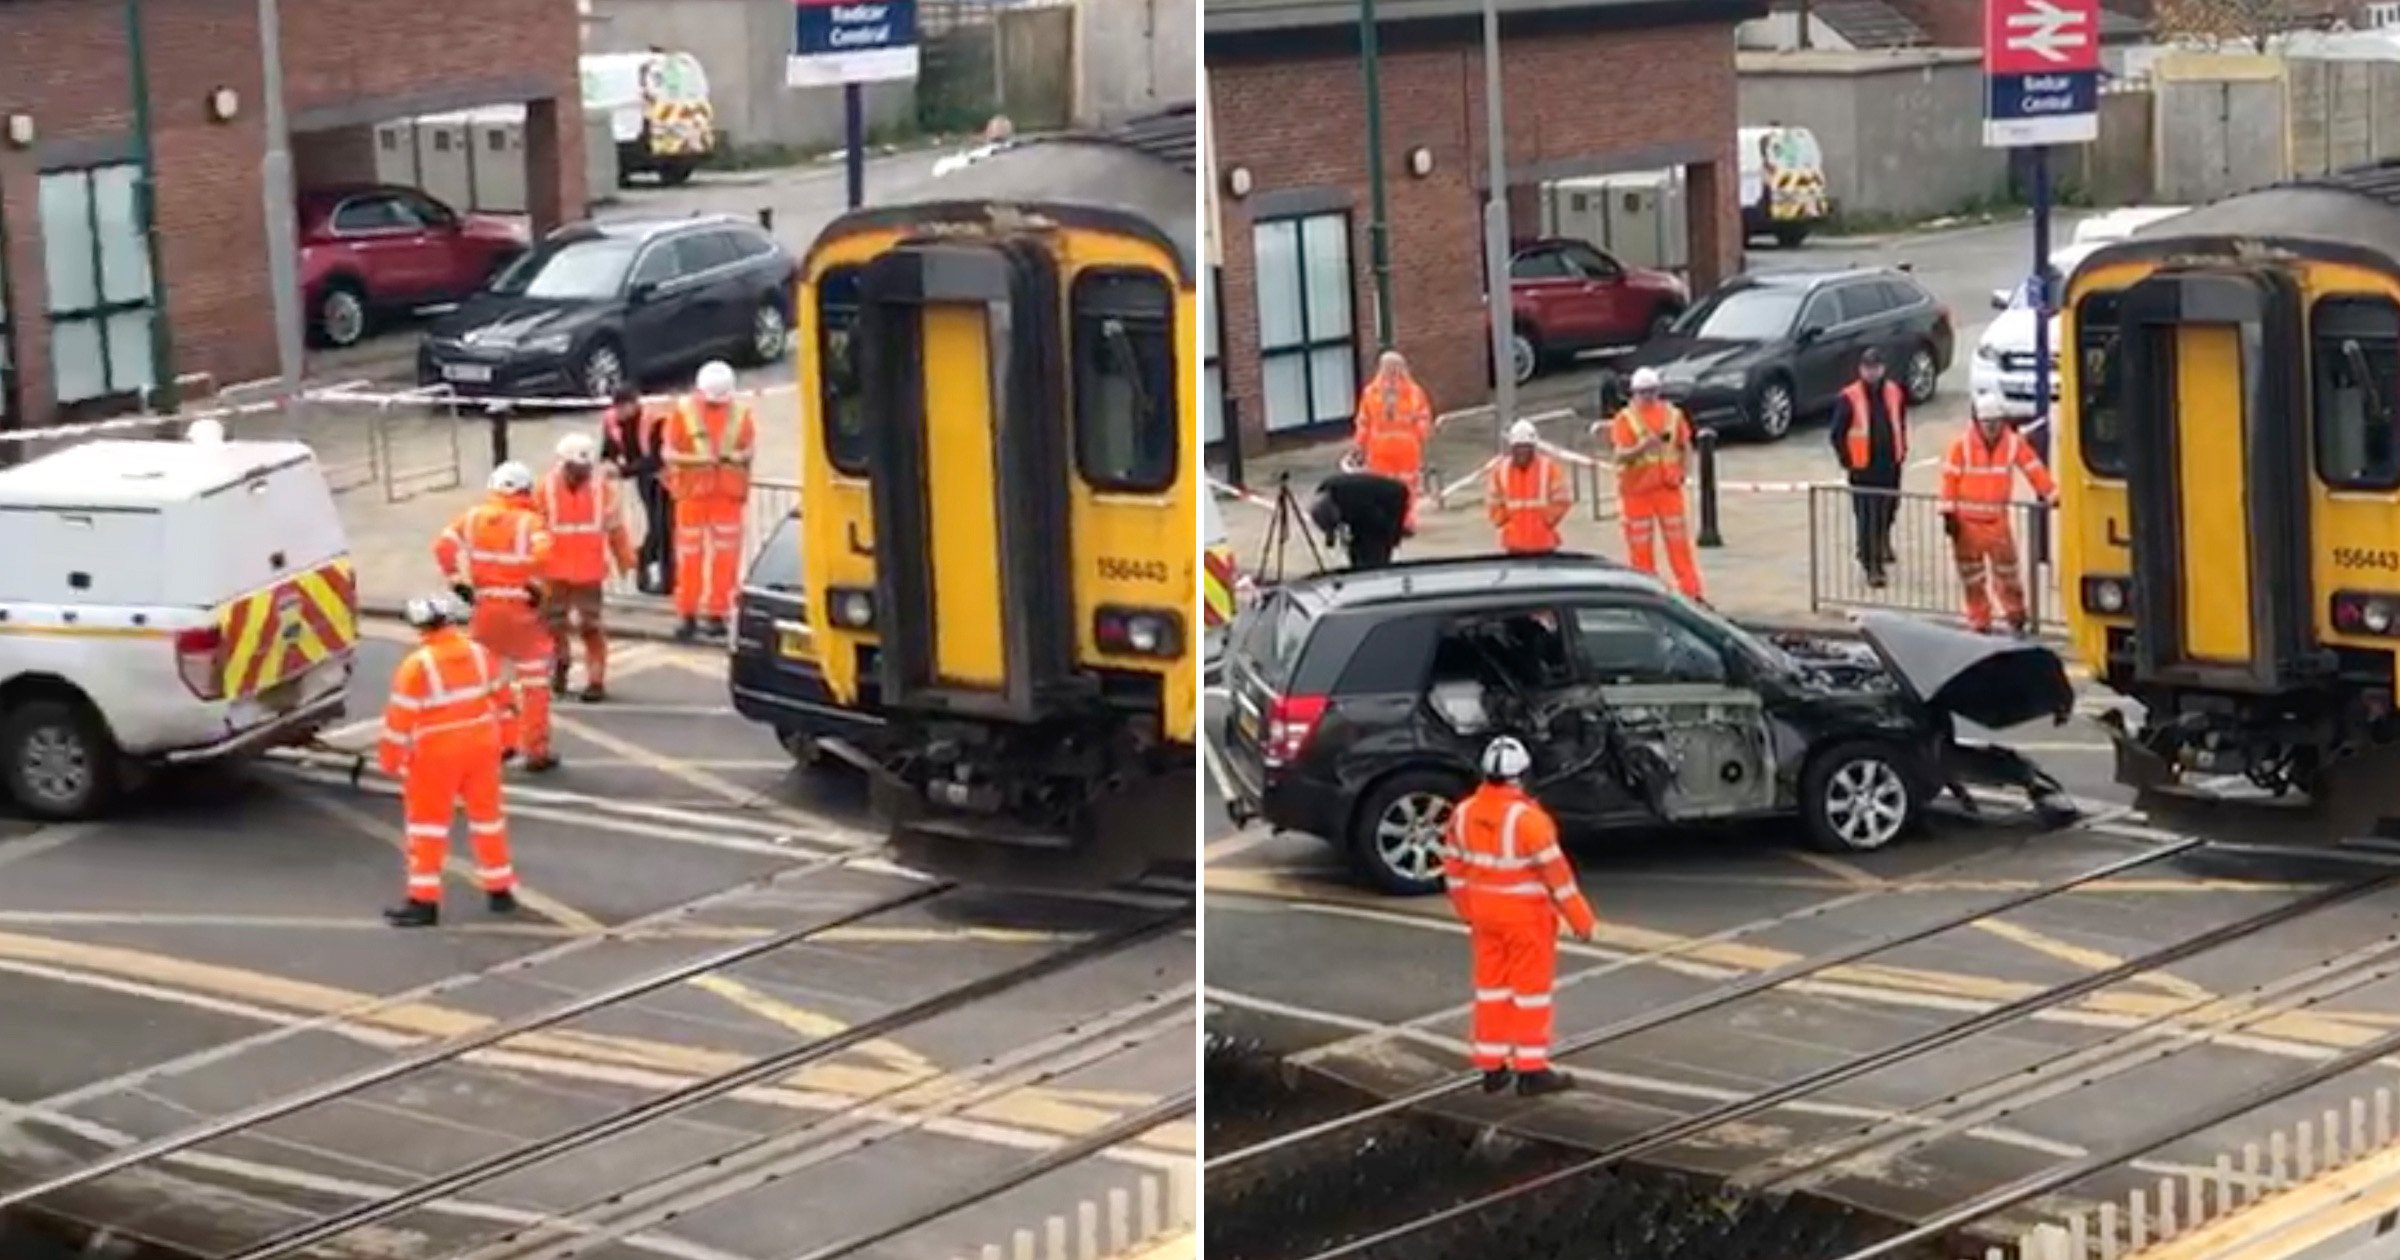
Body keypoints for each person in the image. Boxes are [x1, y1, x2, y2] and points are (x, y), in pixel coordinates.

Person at [1443, 735, 1598, 1097]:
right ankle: (1531, 1069)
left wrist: (1468, 910)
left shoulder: (1463, 814)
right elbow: (1558, 878)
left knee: (1491, 990)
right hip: (1525, 920)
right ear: (1521, 775)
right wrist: (1581, 920)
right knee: (1530, 994)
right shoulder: (1530, 821)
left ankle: (1492, 1066)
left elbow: (1453, 870)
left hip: (1484, 917)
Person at [377, 594, 521, 928]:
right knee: (488, 820)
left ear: (419, 627)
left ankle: (423, 901)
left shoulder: (416, 666)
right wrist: (509, 740)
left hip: (436, 752)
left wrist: (390, 760)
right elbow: (504, 700)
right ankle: (500, 890)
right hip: (483, 744)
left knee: (427, 827)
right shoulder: (480, 653)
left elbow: (399, 721)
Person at [434, 462, 560, 771]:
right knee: (534, 684)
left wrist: (456, 580)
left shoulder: (473, 517)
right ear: (525, 490)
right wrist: (536, 584)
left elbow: (443, 547)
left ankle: (500, 743)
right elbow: (545, 553)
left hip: (485, 609)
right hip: (522, 612)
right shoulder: (531, 522)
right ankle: (535, 750)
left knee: (489, 680)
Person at [1940, 399, 2058, 634]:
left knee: (2008, 575)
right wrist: (1948, 514)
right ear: (1977, 422)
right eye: (1987, 423)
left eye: (1996, 423)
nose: (1992, 428)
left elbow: (2033, 467)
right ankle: (1980, 621)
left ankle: (2015, 616)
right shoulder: (1961, 446)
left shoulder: (2013, 444)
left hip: (1997, 522)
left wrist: (2052, 494)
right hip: (1967, 524)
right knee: (1973, 580)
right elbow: (1949, 480)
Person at [536, 433, 637, 703]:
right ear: (564, 464)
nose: (582, 473)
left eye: (586, 468)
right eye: (577, 468)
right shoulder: (544, 488)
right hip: (554, 571)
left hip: (588, 572)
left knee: (591, 627)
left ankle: (596, 681)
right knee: (553, 625)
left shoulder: (602, 489)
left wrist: (625, 558)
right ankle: (560, 664)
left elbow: (615, 528)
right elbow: (532, 528)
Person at [662, 360, 756, 640]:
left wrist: (736, 458)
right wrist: (702, 460)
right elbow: (669, 453)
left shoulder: (739, 414)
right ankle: (690, 613)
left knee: (722, 559)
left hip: (723, 495)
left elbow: (748, 450)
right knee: (692, 557)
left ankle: (714, 614)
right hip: (697, 495)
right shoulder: (684, 413)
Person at [1602, 366, 1706, 600]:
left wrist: (1684, 472)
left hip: (1668, 489)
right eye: (1643, 392)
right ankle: (1646, 596)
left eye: (1652, 392)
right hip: (1636, 493)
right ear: (1634, 393)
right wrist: (1643, 447)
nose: (1648, 397)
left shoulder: (1672, 414)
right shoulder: (1625, 419)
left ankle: (1692, 593)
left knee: (1679, 547)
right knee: (1640, 551)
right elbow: (1620, 455)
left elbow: (1685, 445)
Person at [1829, 348, 1909, 588]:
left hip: (1890, 464)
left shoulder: (1894, 392)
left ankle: (1882, 541)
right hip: (1863, 468)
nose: (1872, 372)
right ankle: (1872, 564)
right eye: (1867, 367)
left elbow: (1900, 422)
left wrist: (1902, 450)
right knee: (1867, 516)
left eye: (1876, 367)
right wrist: (1847, 461)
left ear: (1883, 368)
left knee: (1889, 509)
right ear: (1861, 369)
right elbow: (1837, 433)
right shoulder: (1849, 397)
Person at [600, 385, 672, 596]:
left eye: (626, 407)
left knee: (666, 529)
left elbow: (658, 458)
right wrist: (609, 464)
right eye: (619, 407)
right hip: (646, 481)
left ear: (635, 403)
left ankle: (660, 573)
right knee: (662, 529)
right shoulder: (612, 420)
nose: (621, 412)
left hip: (667, 478)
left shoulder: (654, 419)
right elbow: (608, 450)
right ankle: (657, 572)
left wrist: (623, 471)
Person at [1352, 351, 1435, 535]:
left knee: (1407, 489)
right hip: (1379, 451)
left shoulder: (1414, 393)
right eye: (1388, 367)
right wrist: (1359, 444)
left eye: (1396, 367)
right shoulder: (1371, 393)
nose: (1392, 372)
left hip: (1406, 451)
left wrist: (1419, 436)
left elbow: (1424, 417)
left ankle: (1405, 522)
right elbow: (1363, 421)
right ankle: (1384, 522)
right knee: (1380, 488)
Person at [1487, 420, 1572, 554]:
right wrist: (1505, 523)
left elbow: (1562, 499)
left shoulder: (1548, 468)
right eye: (1518, 448)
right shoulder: (1500, 470)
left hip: (1543, 541)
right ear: (1512, 448)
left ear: (1533, 447)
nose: (1522, 452)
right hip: (1513, 542)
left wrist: (1546, 522)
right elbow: (1493, 502)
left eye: (1526, 448)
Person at [1308, 470, 1411, 571]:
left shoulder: (1357, 503)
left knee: (1374, 547)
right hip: (1366, 498)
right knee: (1359, 543)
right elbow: (1331, 519)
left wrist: (1393, 535)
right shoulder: (1326, 491)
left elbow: (1377, 521)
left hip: (1393, 496)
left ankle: (1374, 572)